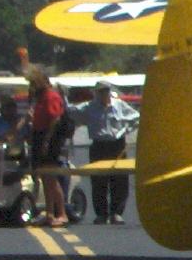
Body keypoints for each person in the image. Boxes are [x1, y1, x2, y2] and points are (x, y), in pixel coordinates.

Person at [82, 79, 138, 223]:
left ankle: (116, 213)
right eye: (100, 91)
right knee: (98, 180)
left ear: (109, 92)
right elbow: (71, 112)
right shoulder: (89, 107)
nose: (103, 94)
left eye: (105, 91)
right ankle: (101, 214)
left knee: (119, 180)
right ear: (96, 93)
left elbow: (136, 117)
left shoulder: (119, 105)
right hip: (99, 145)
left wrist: (126, 130)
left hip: (117, 145)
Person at [24, 68, 71, 226]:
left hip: (50, 138)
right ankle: (49, 213)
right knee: (45, 177)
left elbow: (55, 119)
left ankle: (62, 213)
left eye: (34, 83)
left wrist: (46, 141)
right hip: (40, 136)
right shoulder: (40, 97)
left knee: (51, 177)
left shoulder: (51, 96)